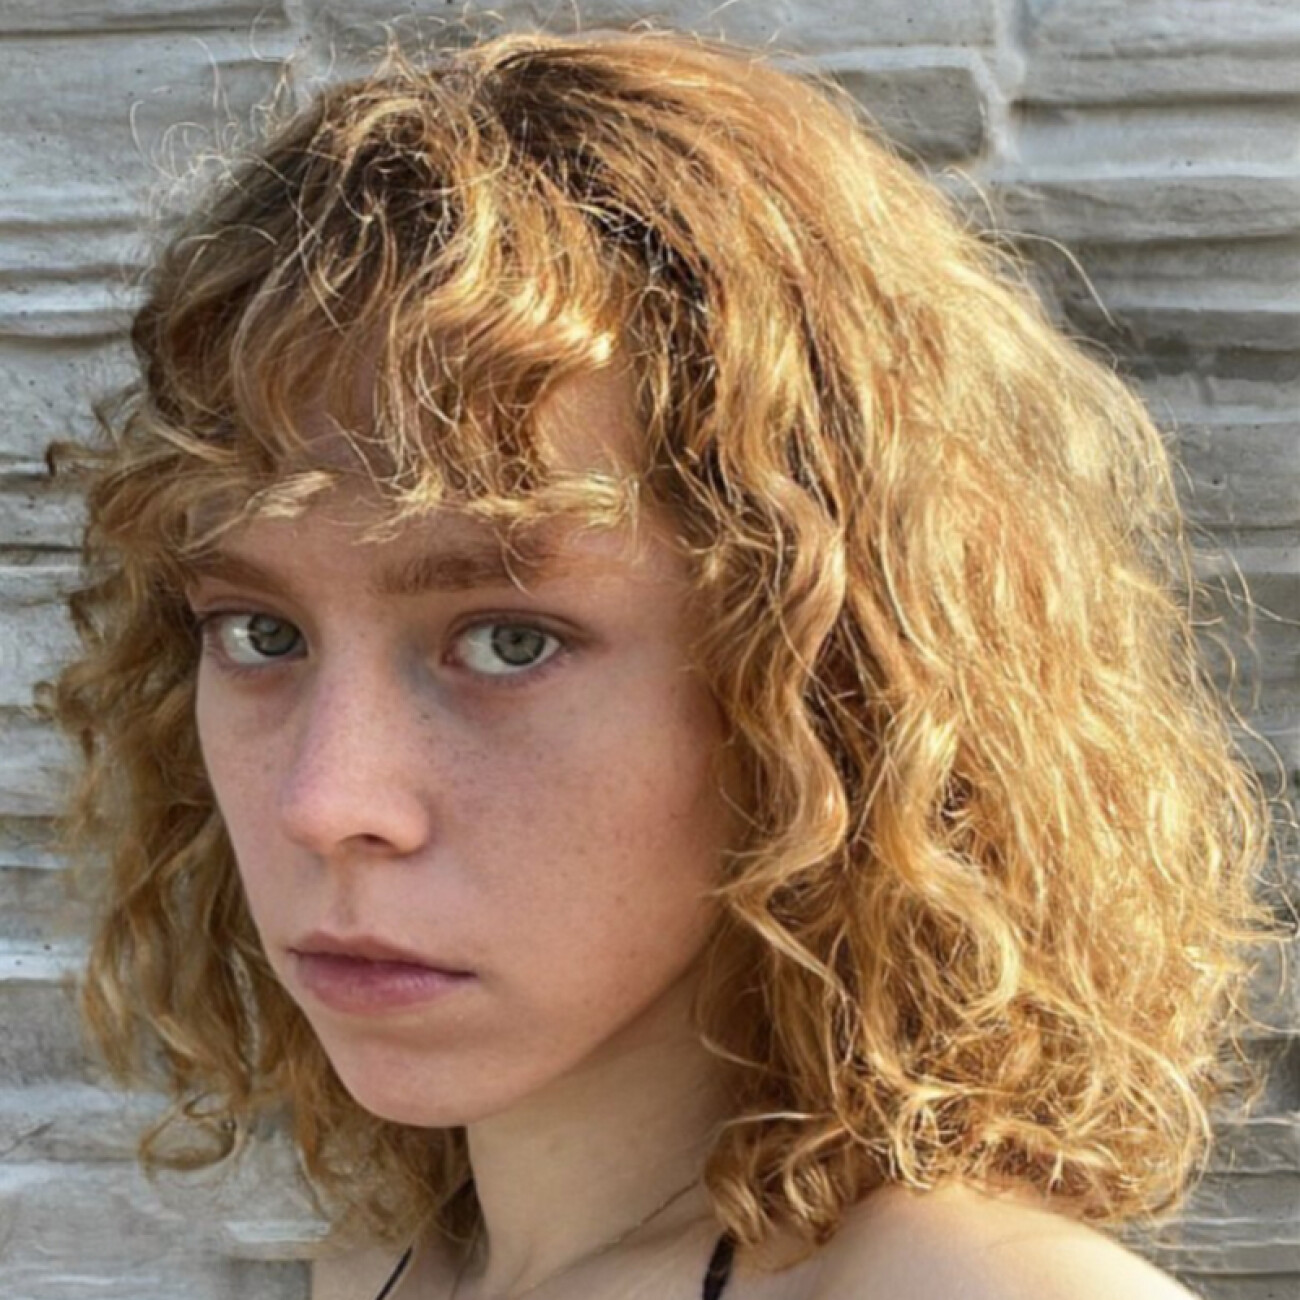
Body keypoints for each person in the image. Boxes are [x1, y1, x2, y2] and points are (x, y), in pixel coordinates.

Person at [47, 27, 1276, 1300]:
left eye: (509, 642)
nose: (326, 801)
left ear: (826, 685)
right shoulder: (382, 1267)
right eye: (260, 634)